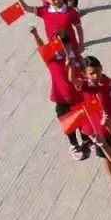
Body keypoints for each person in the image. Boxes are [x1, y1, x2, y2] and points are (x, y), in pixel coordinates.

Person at [72, 55, 111, 196]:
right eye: (91, 73)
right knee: (105, 156)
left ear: (102, 68)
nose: (96, 75)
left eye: (97, 71)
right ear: (85, 74)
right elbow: (73, 80)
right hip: (99, 131)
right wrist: (70, 65)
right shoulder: (87, 87)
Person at [28, 26, 86, 160]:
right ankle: (74, 144)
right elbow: (42, 47)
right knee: (69, 124)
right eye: (56, 45)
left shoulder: (77, 57)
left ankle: (86, 141)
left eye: (64, 45)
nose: (60, 48)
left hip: (79, 97)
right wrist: (35, 35)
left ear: (69, 44)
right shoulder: (52, 59)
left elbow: (84, 72)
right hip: (62, 98)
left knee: (83, 121)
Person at [9, 0, 83, 54]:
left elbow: (79, 28)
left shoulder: (71, 11)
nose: (57, 1)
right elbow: (27, 8)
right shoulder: (44, 11)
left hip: (71, 47)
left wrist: (81, 42)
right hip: (55, 48)